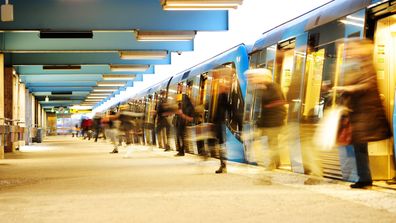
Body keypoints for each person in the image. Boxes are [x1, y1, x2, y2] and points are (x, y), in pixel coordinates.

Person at [334, 38, 392, 188]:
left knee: (360, 147)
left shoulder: (365, 64)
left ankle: (365, 178)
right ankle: (364, 177)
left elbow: (368, 84)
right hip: (360, 114)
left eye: (351, 49)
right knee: (359, 147)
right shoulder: (360, 63)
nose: (349, 52)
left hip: (365, 114)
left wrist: (348, 89)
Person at [245, 68, 287, 182]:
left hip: (273, 125)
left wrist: (262, 124)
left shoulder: (272, 88)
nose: (252, 81)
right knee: (270, 150)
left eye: (253, 78)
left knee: (270, 150)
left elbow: (276, 107)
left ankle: (267, 175)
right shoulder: (266, 89)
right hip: (268, 125)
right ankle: (270, 170)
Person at [211, 73, 232, 174]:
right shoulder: (222, 96)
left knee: (221, 145)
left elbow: (228, 109)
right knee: (220, 145)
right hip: (219, 124)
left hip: (220, 124)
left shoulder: (223, 96)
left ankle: (223, 166)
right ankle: (223, 165)